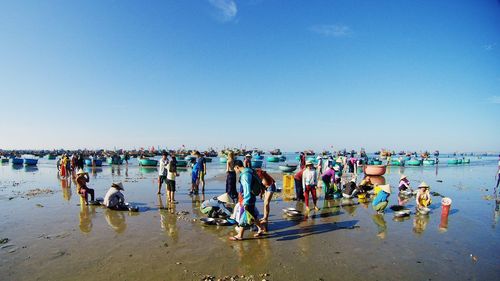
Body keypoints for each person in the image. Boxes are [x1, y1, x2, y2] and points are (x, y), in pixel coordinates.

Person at [229, 160, 264, 241]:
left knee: (244, 216)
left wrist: (246, 201)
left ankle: (239, 235)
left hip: (249, 198)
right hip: (252, 197)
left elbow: (247, 189)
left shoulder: (245, 175)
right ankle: (261, 228)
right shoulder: (250, 171)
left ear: (237, 167)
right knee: (253, 216)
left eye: (235, 169)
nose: (235, 171)